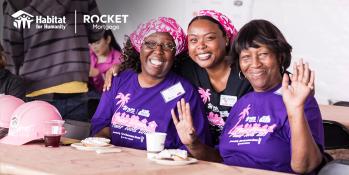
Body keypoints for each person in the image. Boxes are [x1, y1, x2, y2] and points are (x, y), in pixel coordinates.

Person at [172, 19, 324, 174]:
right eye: (246, 57)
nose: (255, 63)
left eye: (263, 54)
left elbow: (306, 166)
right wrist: (193, 144)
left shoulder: (298, 100)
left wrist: (296, 109)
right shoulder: (243, 103)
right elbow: (222, 159)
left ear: (280, 57)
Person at [102, 10, 252, 146]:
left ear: (226, 39)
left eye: (210, 38)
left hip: (235, 151)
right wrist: (121, 68)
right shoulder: (187, 67)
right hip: (201, 147)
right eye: (193, 40)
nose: (201, 46)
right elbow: (156, 63)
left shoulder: (245, 73)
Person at [90, 17, 210, 150]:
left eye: (168, 46)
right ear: (138, 47)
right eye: (150, 44)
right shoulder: (118, 80)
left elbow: (194, 145)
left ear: (175, 54)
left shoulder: (185, 92)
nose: (158, 51)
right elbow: (100, 124)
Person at [2, 0, 105, 121]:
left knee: (37, 138)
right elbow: (97, 31)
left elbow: (11, 47)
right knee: (74, 139)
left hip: (35, 89)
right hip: (76, 86)